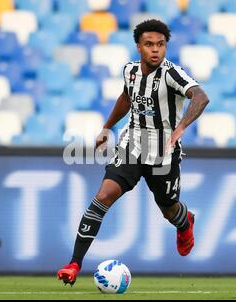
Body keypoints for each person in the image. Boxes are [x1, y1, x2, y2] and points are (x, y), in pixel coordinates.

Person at [58, 19, 210, 285]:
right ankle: (74, 264)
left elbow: (201, 97)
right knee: (104, 195)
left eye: (160, 45)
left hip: (164, 153)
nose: (155, 50)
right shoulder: (129, 71)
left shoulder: (172, 74)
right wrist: (106, 127)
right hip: (132, 146)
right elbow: (126, 98)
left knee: (168, 209)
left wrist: (181, 128)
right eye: (149, 44)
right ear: (138, 47)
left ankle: (185, 221)